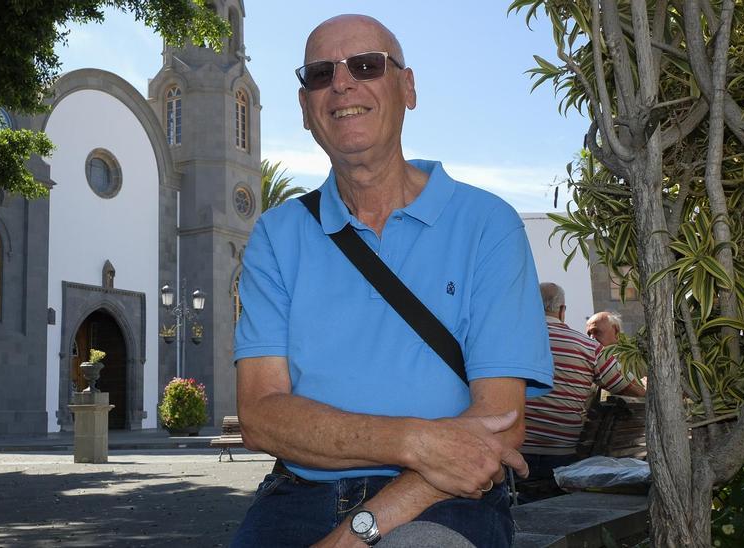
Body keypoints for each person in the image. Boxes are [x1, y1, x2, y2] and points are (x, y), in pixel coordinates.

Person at [230, 14, 553, 548]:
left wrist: (359, 531)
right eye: (319, 74)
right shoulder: (276, 234)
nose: (341, 83)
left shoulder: (487, 224)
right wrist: (418, 440)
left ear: (407, 88)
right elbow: (262, 416)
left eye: (365, 65)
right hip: (299, 495)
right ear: (306, 110)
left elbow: (498, 425)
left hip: (444, 497)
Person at [521, 284, 645, 482]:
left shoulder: (512, 342)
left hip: (517, 452)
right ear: (562, 311)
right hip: (561, 454)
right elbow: (628, 388)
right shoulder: (588, 347)